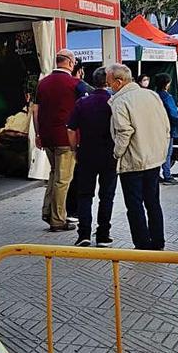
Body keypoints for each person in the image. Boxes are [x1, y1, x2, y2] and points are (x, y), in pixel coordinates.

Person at [106, 63, 170, 250]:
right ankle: (158, 242)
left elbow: (124, 132)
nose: (109, 86)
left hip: (133, 160)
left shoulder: (120, 101)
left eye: (110, 82)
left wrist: (117, 153)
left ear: (119, 82)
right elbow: (165, 125)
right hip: (154, 158)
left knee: (135, 205)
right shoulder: (151, 94)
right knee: (153, 202)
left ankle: (142, 244)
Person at [32, 49, 88, 231]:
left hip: (47, 136)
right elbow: (82, 111)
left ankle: (47, 211)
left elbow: (35, 111)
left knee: (53, 174)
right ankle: (58, 219)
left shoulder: (43, 83)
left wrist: (38, 134)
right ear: (71, 63)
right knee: (63, 180)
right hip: (67, 138)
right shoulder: (76, 84)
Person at [66, 68, 117, 247]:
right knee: (107, 196)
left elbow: (71, 129)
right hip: (110, 155)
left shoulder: (82, 102)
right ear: (109, 81)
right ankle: (103, 235)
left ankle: (83, 235)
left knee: (85, 195)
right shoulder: (114, 102)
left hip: (86, 154)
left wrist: (74, 149)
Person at [153, 73, 178, 186]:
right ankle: (167, 175)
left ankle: (156, 175)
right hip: (168, 128)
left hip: (156, 128)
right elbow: (173, 114)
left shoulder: (154, 95)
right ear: (167, 84)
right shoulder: (167, 97)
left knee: (157, 153)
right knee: (167, 154)